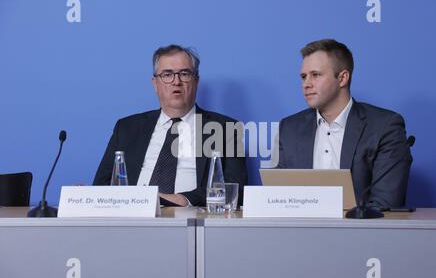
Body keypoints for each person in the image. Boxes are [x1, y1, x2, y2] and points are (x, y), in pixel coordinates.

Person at [93, 44, 247, 206]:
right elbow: (101, 184)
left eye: (184, 74)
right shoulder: (126, 128)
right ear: (155, 84)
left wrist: (183, 199)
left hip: (190, 220)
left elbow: (236, 189)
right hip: (133, 216)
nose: (176, 82)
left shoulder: (226, 129)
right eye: (167, 74)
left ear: (196, 81)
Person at [275, 38, 412, 210]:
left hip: (362, 234)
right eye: (303, 77)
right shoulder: (289, 128)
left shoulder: (384, 127)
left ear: (342, 78)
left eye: (316, 75)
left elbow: (386, 202)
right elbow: (276, 197)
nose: (306, 84)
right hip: (299, 233)